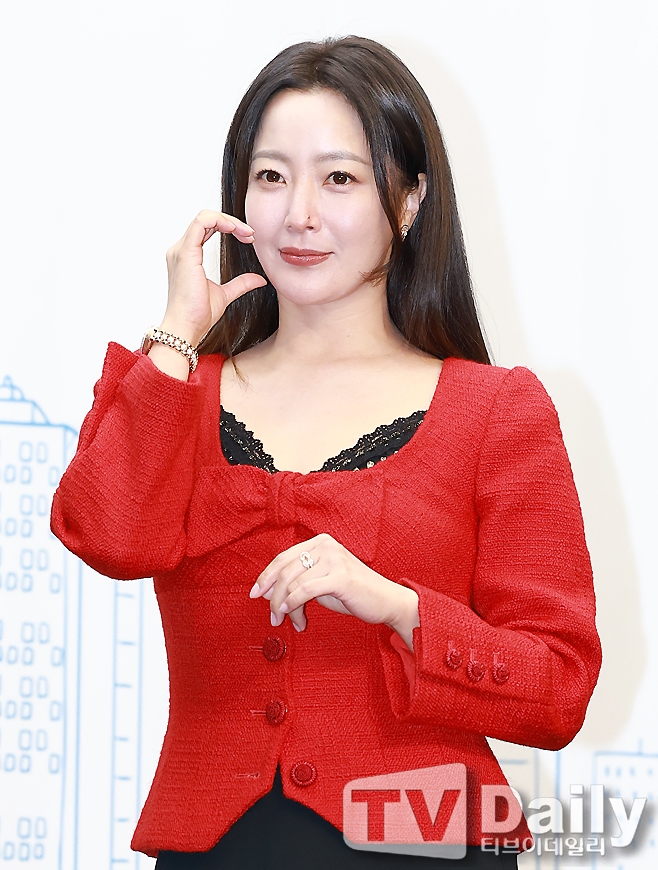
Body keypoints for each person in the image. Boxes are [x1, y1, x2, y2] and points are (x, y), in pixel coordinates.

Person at [51, 36, 602, 869]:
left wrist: (396, 605)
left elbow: (558, 689)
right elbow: (107, 537)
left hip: (427, 843)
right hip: (219, 851)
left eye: (339, 178)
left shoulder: (497, 411)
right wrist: (175, 334)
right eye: (272, 176)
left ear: (408, 201)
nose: (298, 214)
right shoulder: (176, 391)